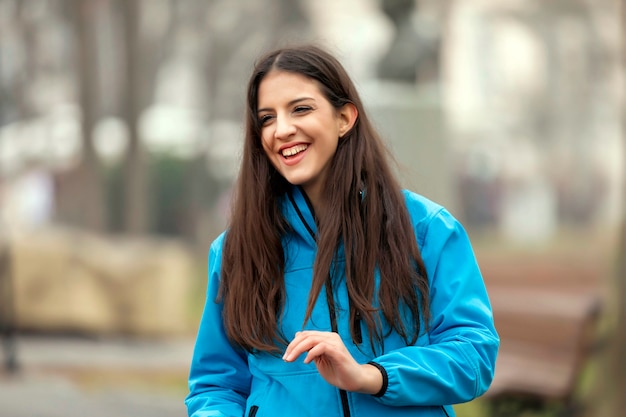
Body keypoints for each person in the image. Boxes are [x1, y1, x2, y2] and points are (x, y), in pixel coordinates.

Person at [186, 44, 499, 417]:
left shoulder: (427, 229)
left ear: (344, 118)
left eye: (300, 109)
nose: (282, 130)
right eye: (266, 118)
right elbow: (216, 384)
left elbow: (473, 354)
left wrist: (372, 376)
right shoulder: (236, 251)